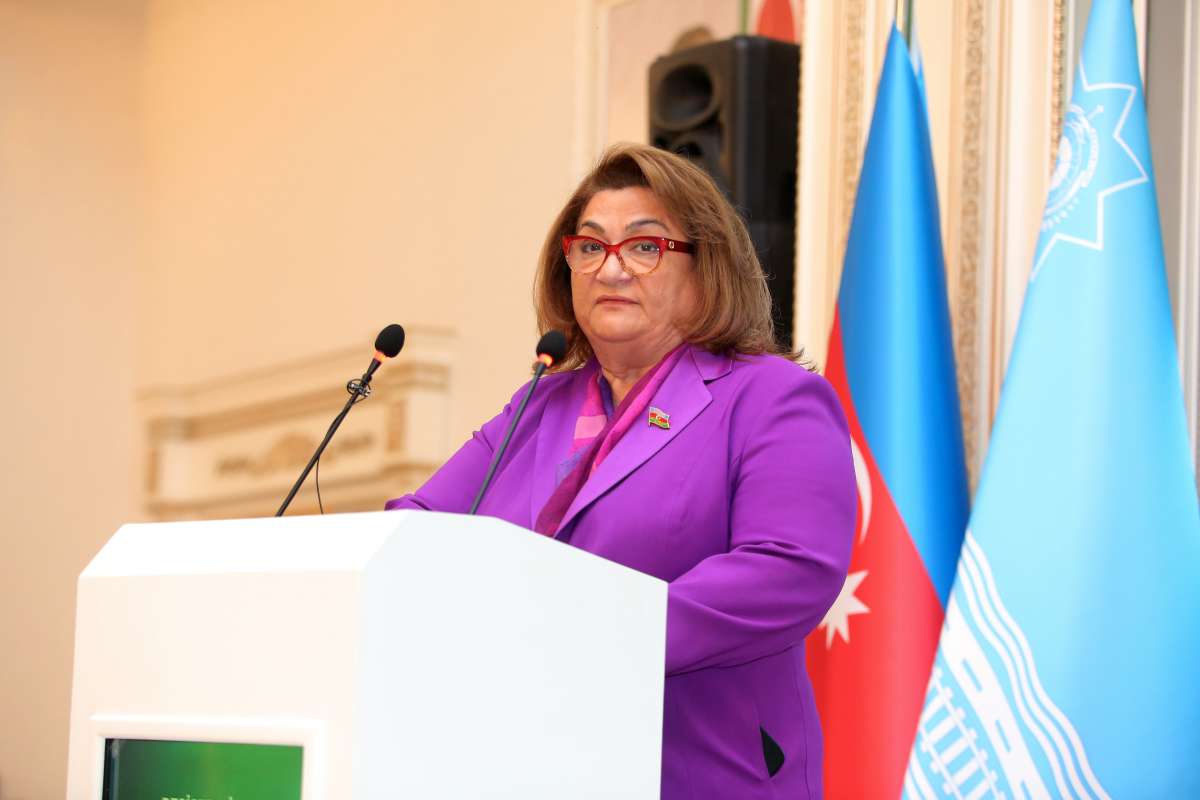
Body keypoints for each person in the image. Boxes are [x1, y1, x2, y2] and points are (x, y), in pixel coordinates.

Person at [386, 143, 855, 799]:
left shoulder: (771, 396)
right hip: (526, 768)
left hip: (700, 771)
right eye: (589, 247)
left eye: (644, 246)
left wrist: (589, 633)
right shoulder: (538, 404)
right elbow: (415, 531)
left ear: (706, 267)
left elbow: (787, 568)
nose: (610, 268)